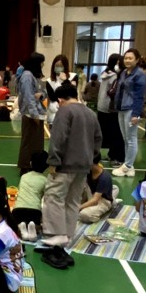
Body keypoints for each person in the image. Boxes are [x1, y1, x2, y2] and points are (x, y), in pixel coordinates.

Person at [40, 85, 102, 269]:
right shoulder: (90, 113)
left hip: (65, 165)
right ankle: (67, 235)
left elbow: (58, 137)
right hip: (83, 166)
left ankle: (56, 233)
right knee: (73, 201)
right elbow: (98, 138)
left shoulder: (65, 111)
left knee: (54, 197)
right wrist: (91, 157)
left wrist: (53, 160)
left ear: (59, 100)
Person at [112, 49, 146, 177]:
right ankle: (128, 165)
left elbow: (140, 96)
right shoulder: (124, 73)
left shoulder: (140, 75)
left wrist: (135, 114)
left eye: (130, 58)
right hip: (121, 108)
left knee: (131, 138)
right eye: (126, 58)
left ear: (137, 60)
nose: (127, 60)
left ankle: (128, 166)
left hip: (131, 109)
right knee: (126, 138)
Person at [17, 52, 47, 174]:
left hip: (38, 113)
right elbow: (28, 97)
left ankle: (35, 163)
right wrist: (34, 114)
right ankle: (24, 165)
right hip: (31, 114)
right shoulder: (27, 76)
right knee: (28, 141)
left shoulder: (35, 76)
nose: (43, 64)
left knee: (37, 142)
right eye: (41, 62)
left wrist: (41, 95)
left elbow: (43, 92)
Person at [97, 54, 125, 167]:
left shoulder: (105, 73)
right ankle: (116, 156)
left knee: (104, 133)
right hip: (111, 109)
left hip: (101, 107)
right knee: (116, 134)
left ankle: (110, 154)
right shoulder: (116, 76)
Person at [13, 150, 49, 228]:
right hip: (34, 212)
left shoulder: (23, 177)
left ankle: (21, 228)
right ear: (47, 166)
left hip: (17, 211)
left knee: (17, 226)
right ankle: (33, 229)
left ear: (30, 163)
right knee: (36, 227)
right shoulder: (45, 180)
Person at [45, 55, 77, 121]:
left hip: (70, 110)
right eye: (56, 66)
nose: (58, 68)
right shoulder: (49, 81)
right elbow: (53, 97)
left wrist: (65, 81)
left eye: (60, 66)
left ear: (65, 66)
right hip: (54, 112)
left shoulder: (73, 76)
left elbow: (73, 93)